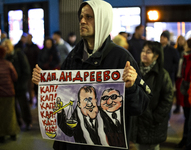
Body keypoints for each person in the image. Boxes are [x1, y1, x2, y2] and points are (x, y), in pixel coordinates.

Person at [32, 1, 151, 150]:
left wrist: (132, 88)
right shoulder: (73, 56)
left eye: (89, 17)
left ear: (102, 20)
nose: (82, 21)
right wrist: (46, 86)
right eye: (81, 16)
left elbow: (140, 107)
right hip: (72, 143)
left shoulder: (121, 58)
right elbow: (62, 104)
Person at [130, 41, 173, 150]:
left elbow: (167, 99)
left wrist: (155, 118)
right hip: (137, 121)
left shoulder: (162, 74)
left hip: (153, 124)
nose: (144, 54)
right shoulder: (135, 71)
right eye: (143, 51)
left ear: (156, 56)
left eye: (148, 52)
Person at [2, 39, 32, 131]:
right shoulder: (6, 58)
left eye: (8, 47)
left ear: (11, 46)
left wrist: (22, 84)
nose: (6, 49)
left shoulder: (19, 55)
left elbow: (26, 70)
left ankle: (28, 122)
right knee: (14, 107)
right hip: (11, 87)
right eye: (5, 47)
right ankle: (18, 123)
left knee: (24, 105)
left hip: (20, 85)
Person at [176, 37, 191, 148]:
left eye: (186, 44)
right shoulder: (185, 57)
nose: (184, 46)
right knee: (188, 120)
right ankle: (185, 140)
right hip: (187, 94)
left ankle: (189, 143)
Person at [0, 46, 20, 143]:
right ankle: (12, 133)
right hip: (9, 93)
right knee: (11, 114)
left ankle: (1, 135)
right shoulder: (8, 64)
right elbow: (15, 77)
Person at [24, 33, 40, 105]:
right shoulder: (25, 47)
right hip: (27, 69)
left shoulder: (35, 47)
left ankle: (37, 100)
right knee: (28, 86)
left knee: (36, 86)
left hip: (34, 68)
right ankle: (30, 99)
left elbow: (38, 58)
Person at [173, 35, 186, 114]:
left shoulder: (185, 51)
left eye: (182, 40)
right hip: (177, 74)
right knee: (177, 91)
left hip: (182, 74)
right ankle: (178, 106)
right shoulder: (175, 50)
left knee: (182, 91)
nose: (180, 41)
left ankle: (182, 106)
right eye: (179, 40)